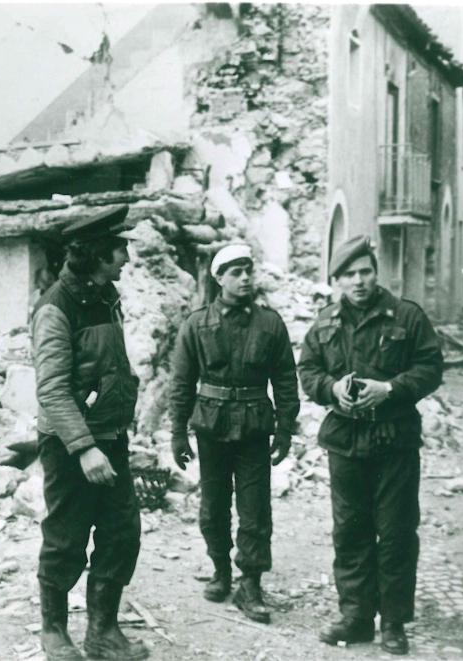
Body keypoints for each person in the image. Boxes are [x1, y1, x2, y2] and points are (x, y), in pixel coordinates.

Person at [297, 235, 443, 655]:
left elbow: (431, 367)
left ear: (376, 274)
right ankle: (356, 616)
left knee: (396, 531)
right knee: (350, 531)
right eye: (349, 275)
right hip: (345, 441)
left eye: (365, 272)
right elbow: (307, 370)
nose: (359, 281)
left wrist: (392, 388)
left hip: (394, 439)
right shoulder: (325, 322)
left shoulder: (406, 316)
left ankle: (394, 620)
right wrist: (331, 388)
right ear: (337, 280)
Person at [31, 205, 149, 661]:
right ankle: (54, 630)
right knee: (66, 537)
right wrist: (83, 449)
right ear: (98, 253)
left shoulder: (104, 298)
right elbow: (53, 391)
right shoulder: (55, 309)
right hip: (69, 446)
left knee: (122, 533)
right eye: (120, 248)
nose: (126, 257)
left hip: (111, 439)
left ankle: (103, 632)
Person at [168, 244, 299, 624]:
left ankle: (251, 582)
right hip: (211, 427)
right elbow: (181, 382)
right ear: (219, 277)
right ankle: (221, 570)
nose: (244, 278)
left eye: (248, 271)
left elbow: (286, 380)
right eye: (236, 272)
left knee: (255, 508)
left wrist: (286, 429)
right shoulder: (196, 324)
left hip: (256, 427)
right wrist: (178, 432)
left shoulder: (270, 324)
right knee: (213, 505)